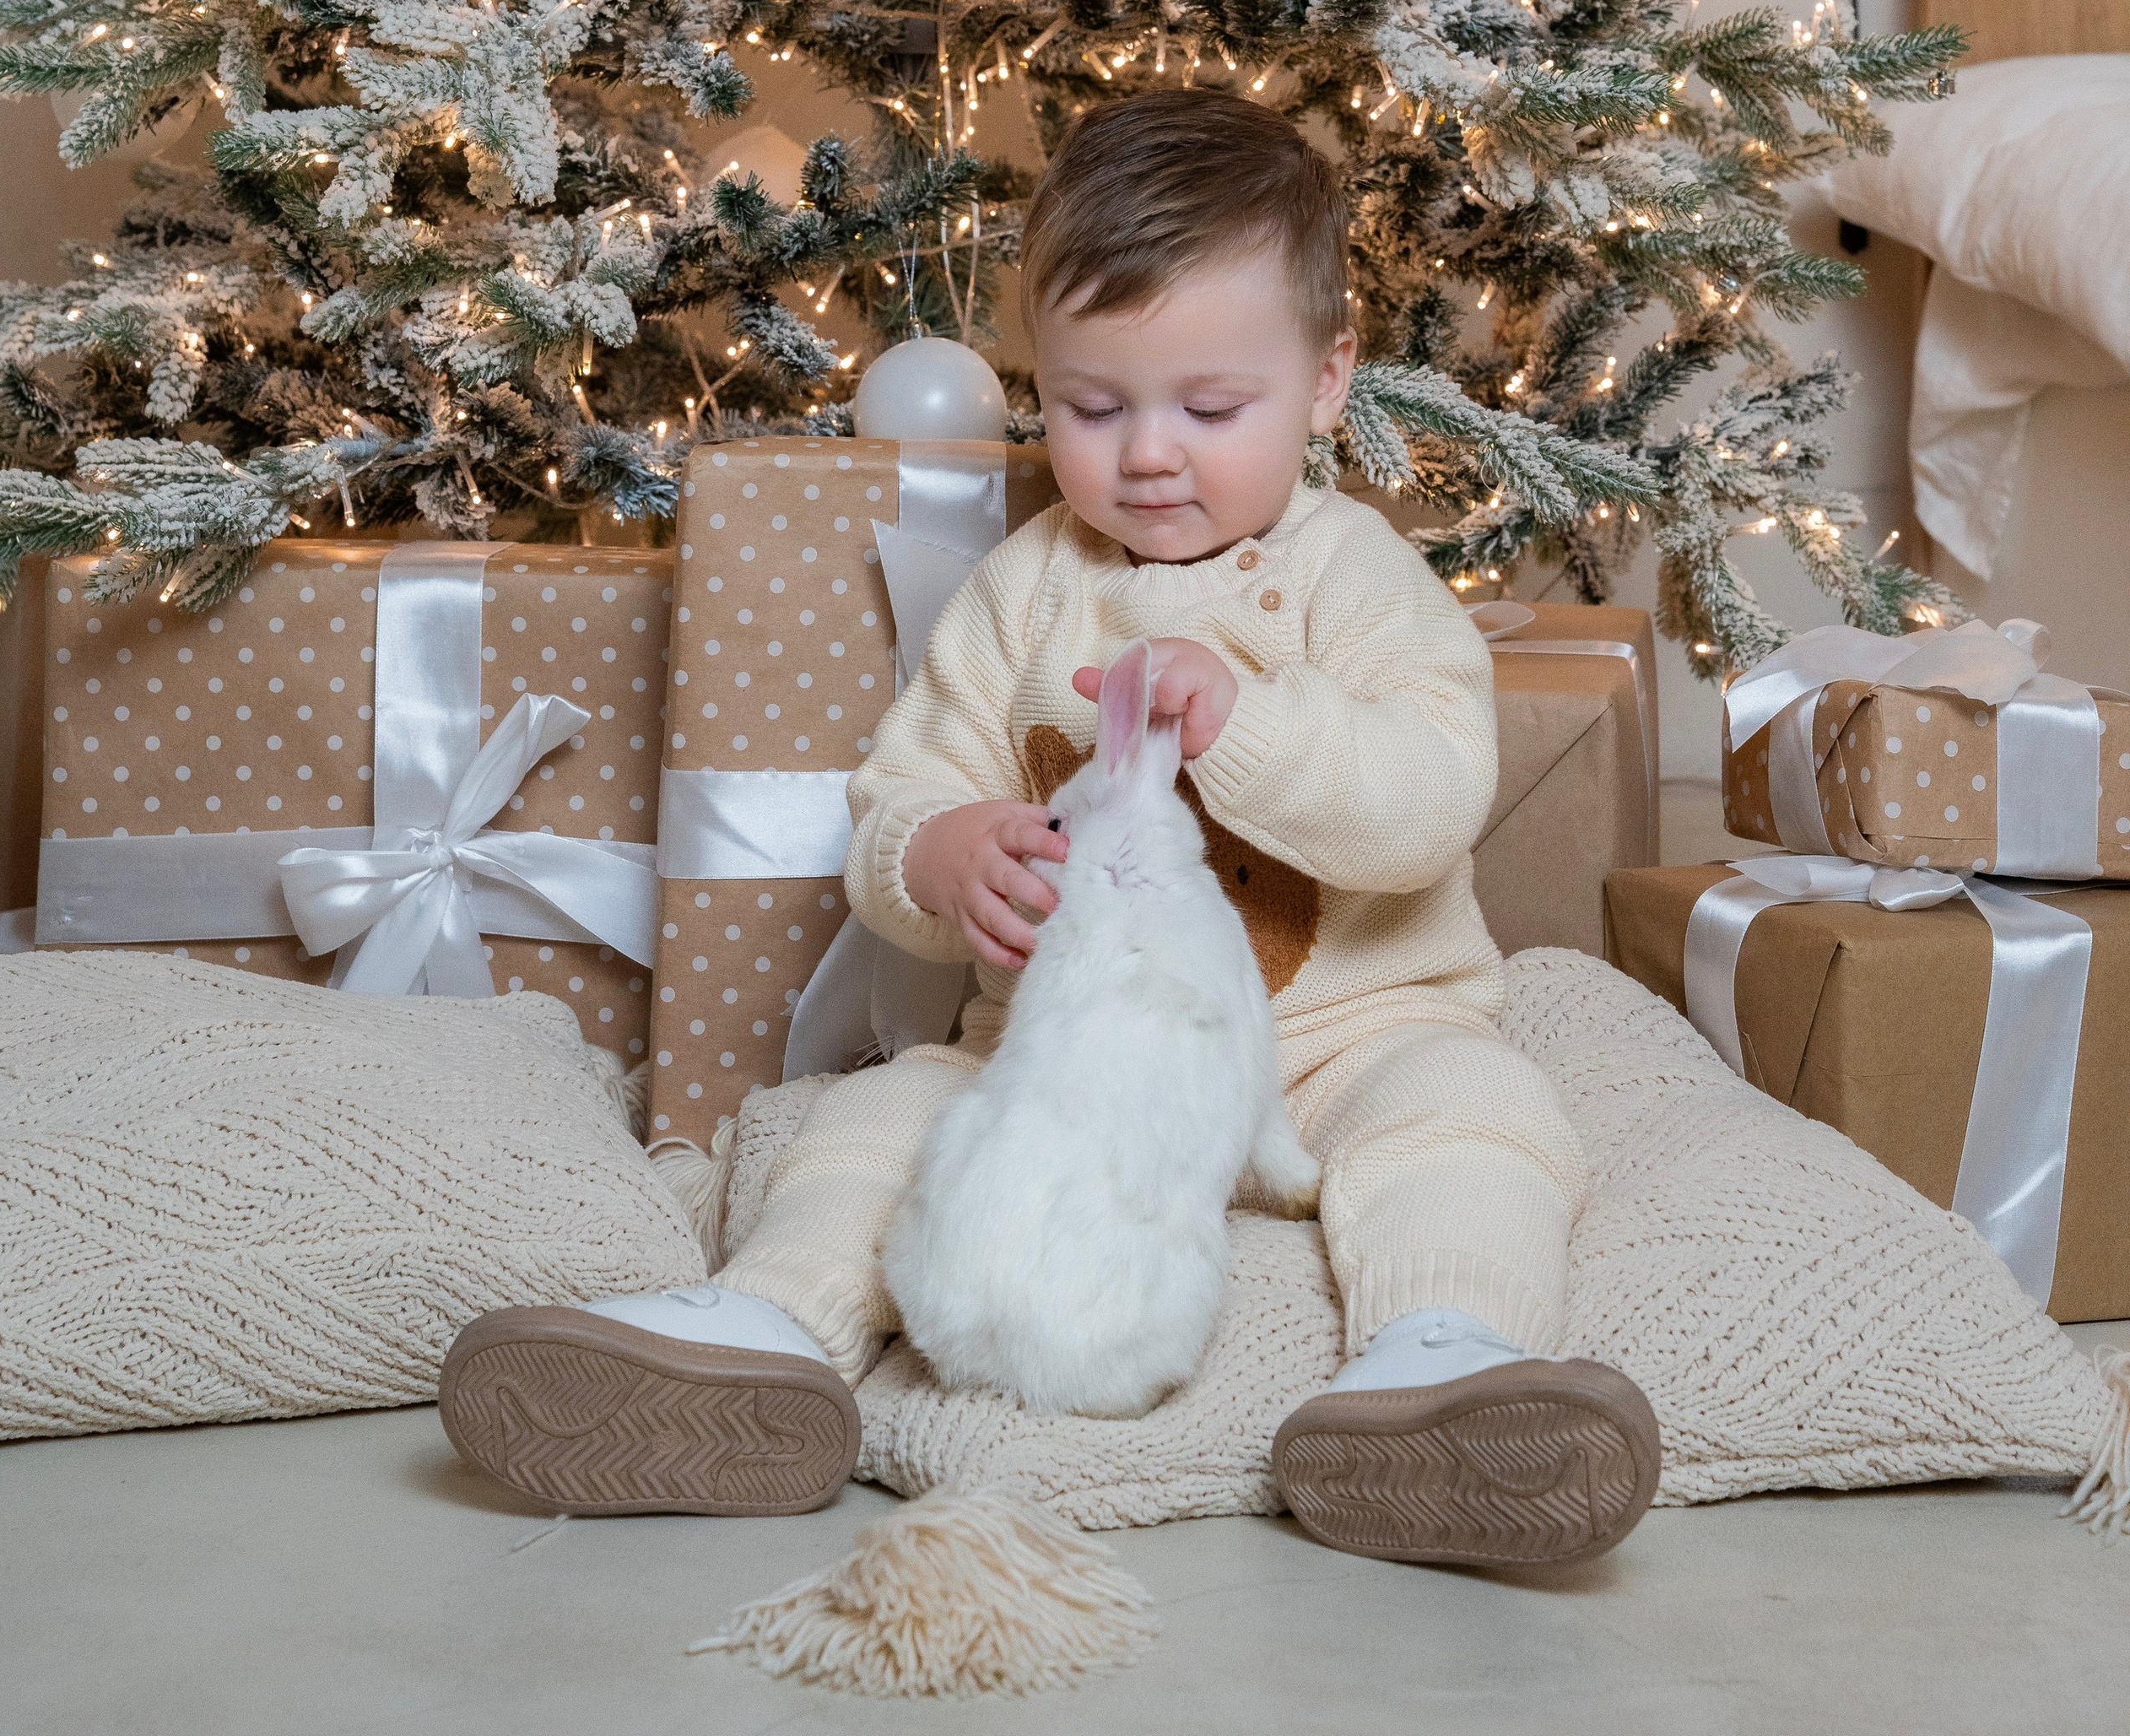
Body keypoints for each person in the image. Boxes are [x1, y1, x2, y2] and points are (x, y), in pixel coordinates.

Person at [440, 93, 1659, 1566]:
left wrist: (1249, 725)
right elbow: (901, 795)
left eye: (1211, 410)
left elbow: (1428, 797)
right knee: (880, 1121)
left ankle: (1442, 1364)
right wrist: (943, 858)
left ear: (1327, 380)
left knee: (1474, 1111)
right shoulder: (1026, 592)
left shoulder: (1359, 580)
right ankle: (761, 1334)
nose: (1149, 455)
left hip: (1343, 1041)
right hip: (1057, 1059)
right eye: (1093, 407)